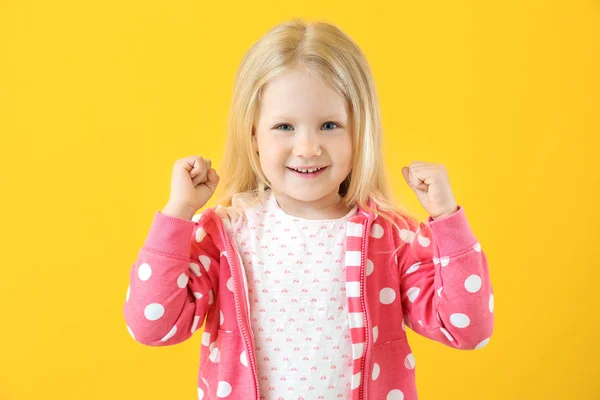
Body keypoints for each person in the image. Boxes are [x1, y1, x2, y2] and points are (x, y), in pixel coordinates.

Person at [123, 18, 494, 400]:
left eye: (330, 125)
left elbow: (467, 329)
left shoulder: (392, 237)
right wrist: (177, 214)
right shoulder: (226, 233)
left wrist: (448, 222)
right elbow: (152, 326)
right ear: (253, 135)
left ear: (360, 131)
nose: (307, 148)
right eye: (284, 126)